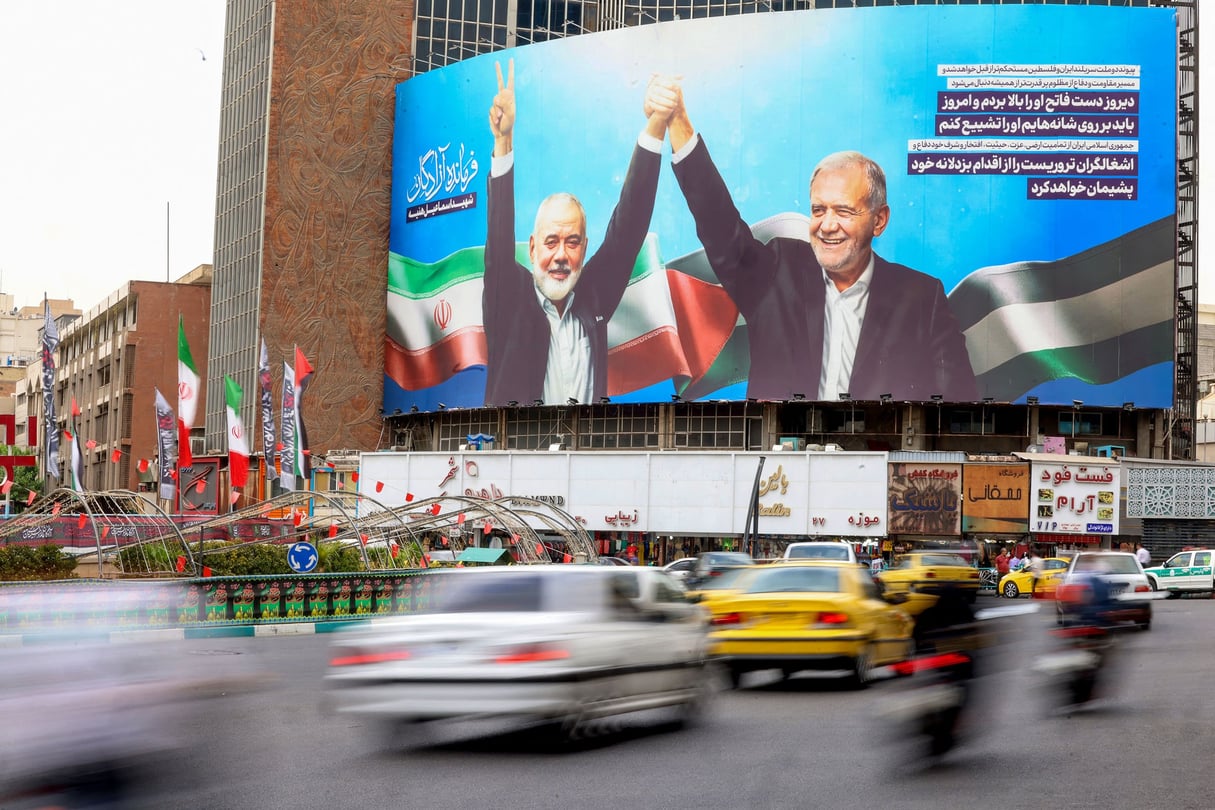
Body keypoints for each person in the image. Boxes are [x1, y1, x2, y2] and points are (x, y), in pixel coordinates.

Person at [664, 86, 978, 402]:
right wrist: (678, 123)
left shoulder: (923, 298)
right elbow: (720, 227)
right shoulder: (776, 271)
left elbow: (957, 403)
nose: (827, 226)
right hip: (782, 450)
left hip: (876, 451)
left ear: (879, 220)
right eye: (818, 210)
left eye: (843, 211)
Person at [483, 61, 678, 406]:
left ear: (584, 249)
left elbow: (629, 227)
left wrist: (657, 123)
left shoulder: (594, 297)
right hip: (518, 457)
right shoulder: (508, 297)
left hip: (586, 456)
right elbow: (498, 239)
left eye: (572, 242)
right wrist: (503, 142)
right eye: (551, 242)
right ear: (531, 249)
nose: (561, 255)